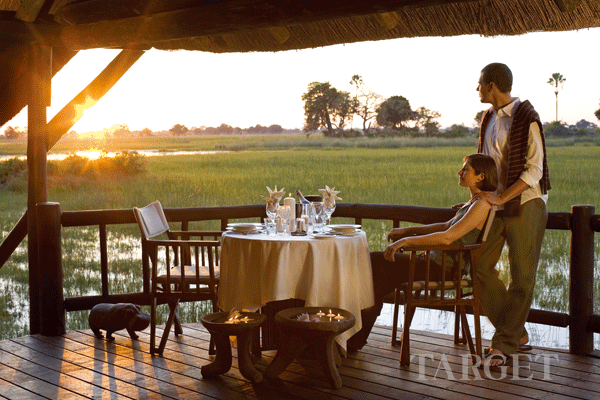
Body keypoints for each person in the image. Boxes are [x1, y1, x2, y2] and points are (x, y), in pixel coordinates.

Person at [347, 154, 498, 351]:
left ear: (481, 176)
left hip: (442, 269)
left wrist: (406, 240)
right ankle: (355, 339)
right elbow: (445, 226)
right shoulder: (473, 202)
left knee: (373, 260)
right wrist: (406, 230)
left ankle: (354, 337)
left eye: (466, 169)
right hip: (432, 264)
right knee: (378, 283)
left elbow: (447, 237)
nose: (459, 173)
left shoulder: (481, 206)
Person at [475, 63, 550, 368]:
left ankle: (503, 345)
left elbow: (535, 170)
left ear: (492, 85)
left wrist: (503, 196)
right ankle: (515, 332)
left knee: (522, 277)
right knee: (478, 265)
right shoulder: (487, 118)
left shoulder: (527, 118)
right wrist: (478, 199)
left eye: (479, 83)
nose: (476, 88)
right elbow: (485, 165)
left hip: (526, 204)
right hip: (495, 204)